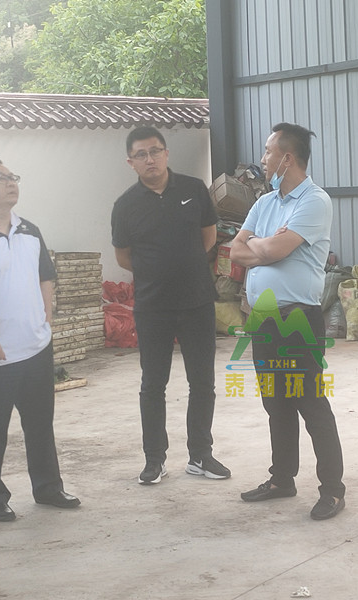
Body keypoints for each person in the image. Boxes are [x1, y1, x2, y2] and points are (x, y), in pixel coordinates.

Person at [0, 158, 79, 522]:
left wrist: (45, 322)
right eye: (0, 178)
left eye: (12, 177)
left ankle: (48, 487)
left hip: (35, 347)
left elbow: (45, 278)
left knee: (40, 424)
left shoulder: (30, 231)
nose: (10, 183)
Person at [230, 122, 346, 521]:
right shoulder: (265, 203)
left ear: (287, 158)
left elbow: (276, 250)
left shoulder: (314, 201)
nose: (263, 159)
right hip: (263, 319)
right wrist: (263, 247)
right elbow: (235, 251)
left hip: (297, 318)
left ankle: (333, 490)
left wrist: (262, 247)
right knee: (275, 404)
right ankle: (282, 479)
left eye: (268, 152)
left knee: (310, 403)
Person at [111, 126, 230, 484]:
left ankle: (201, 455)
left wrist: (183, 266)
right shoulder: (125, 205)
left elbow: (208, 236)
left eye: (155, 151)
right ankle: (154, 459)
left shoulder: (194, 190)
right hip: (153, 306)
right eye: (141, 154)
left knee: (203, 382)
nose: (150, 159)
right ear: (131, 162)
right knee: (153, 384)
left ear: (166, 154)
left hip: (196, 301)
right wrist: (157, 272)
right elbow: (123, 257)